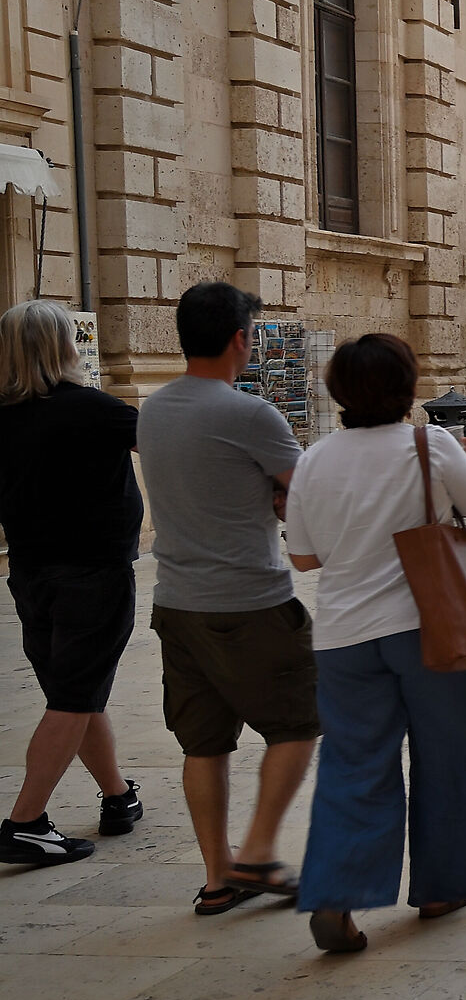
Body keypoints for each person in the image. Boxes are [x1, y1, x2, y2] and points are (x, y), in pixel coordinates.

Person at [284, 333, 466, 954]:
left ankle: (336, 893)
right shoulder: (430, 445)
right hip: (430, 626)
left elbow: (302, 556)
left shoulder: (315, 460)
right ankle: (442, 887)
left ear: (340, 392)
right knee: (450, 756)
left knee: (353, 763)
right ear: (408, 389)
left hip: (343, 636)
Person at [138, 282, 316, 917]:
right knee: (298, 722)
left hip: (178, 602)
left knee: (203, 744)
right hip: (251, 601)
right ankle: (260, 852)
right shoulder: (249, 413)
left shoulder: (153, 410)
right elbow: (309, 490)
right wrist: (279, 497)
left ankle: (218, 878)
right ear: (241, 338)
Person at [0, 301, 143, 867]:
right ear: (63, 347)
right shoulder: (93, 409)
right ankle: (25, 821)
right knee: (73, 695)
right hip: (94, 574)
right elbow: (172, 444)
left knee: (77, 691)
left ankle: (116, 796)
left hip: (30, 574)